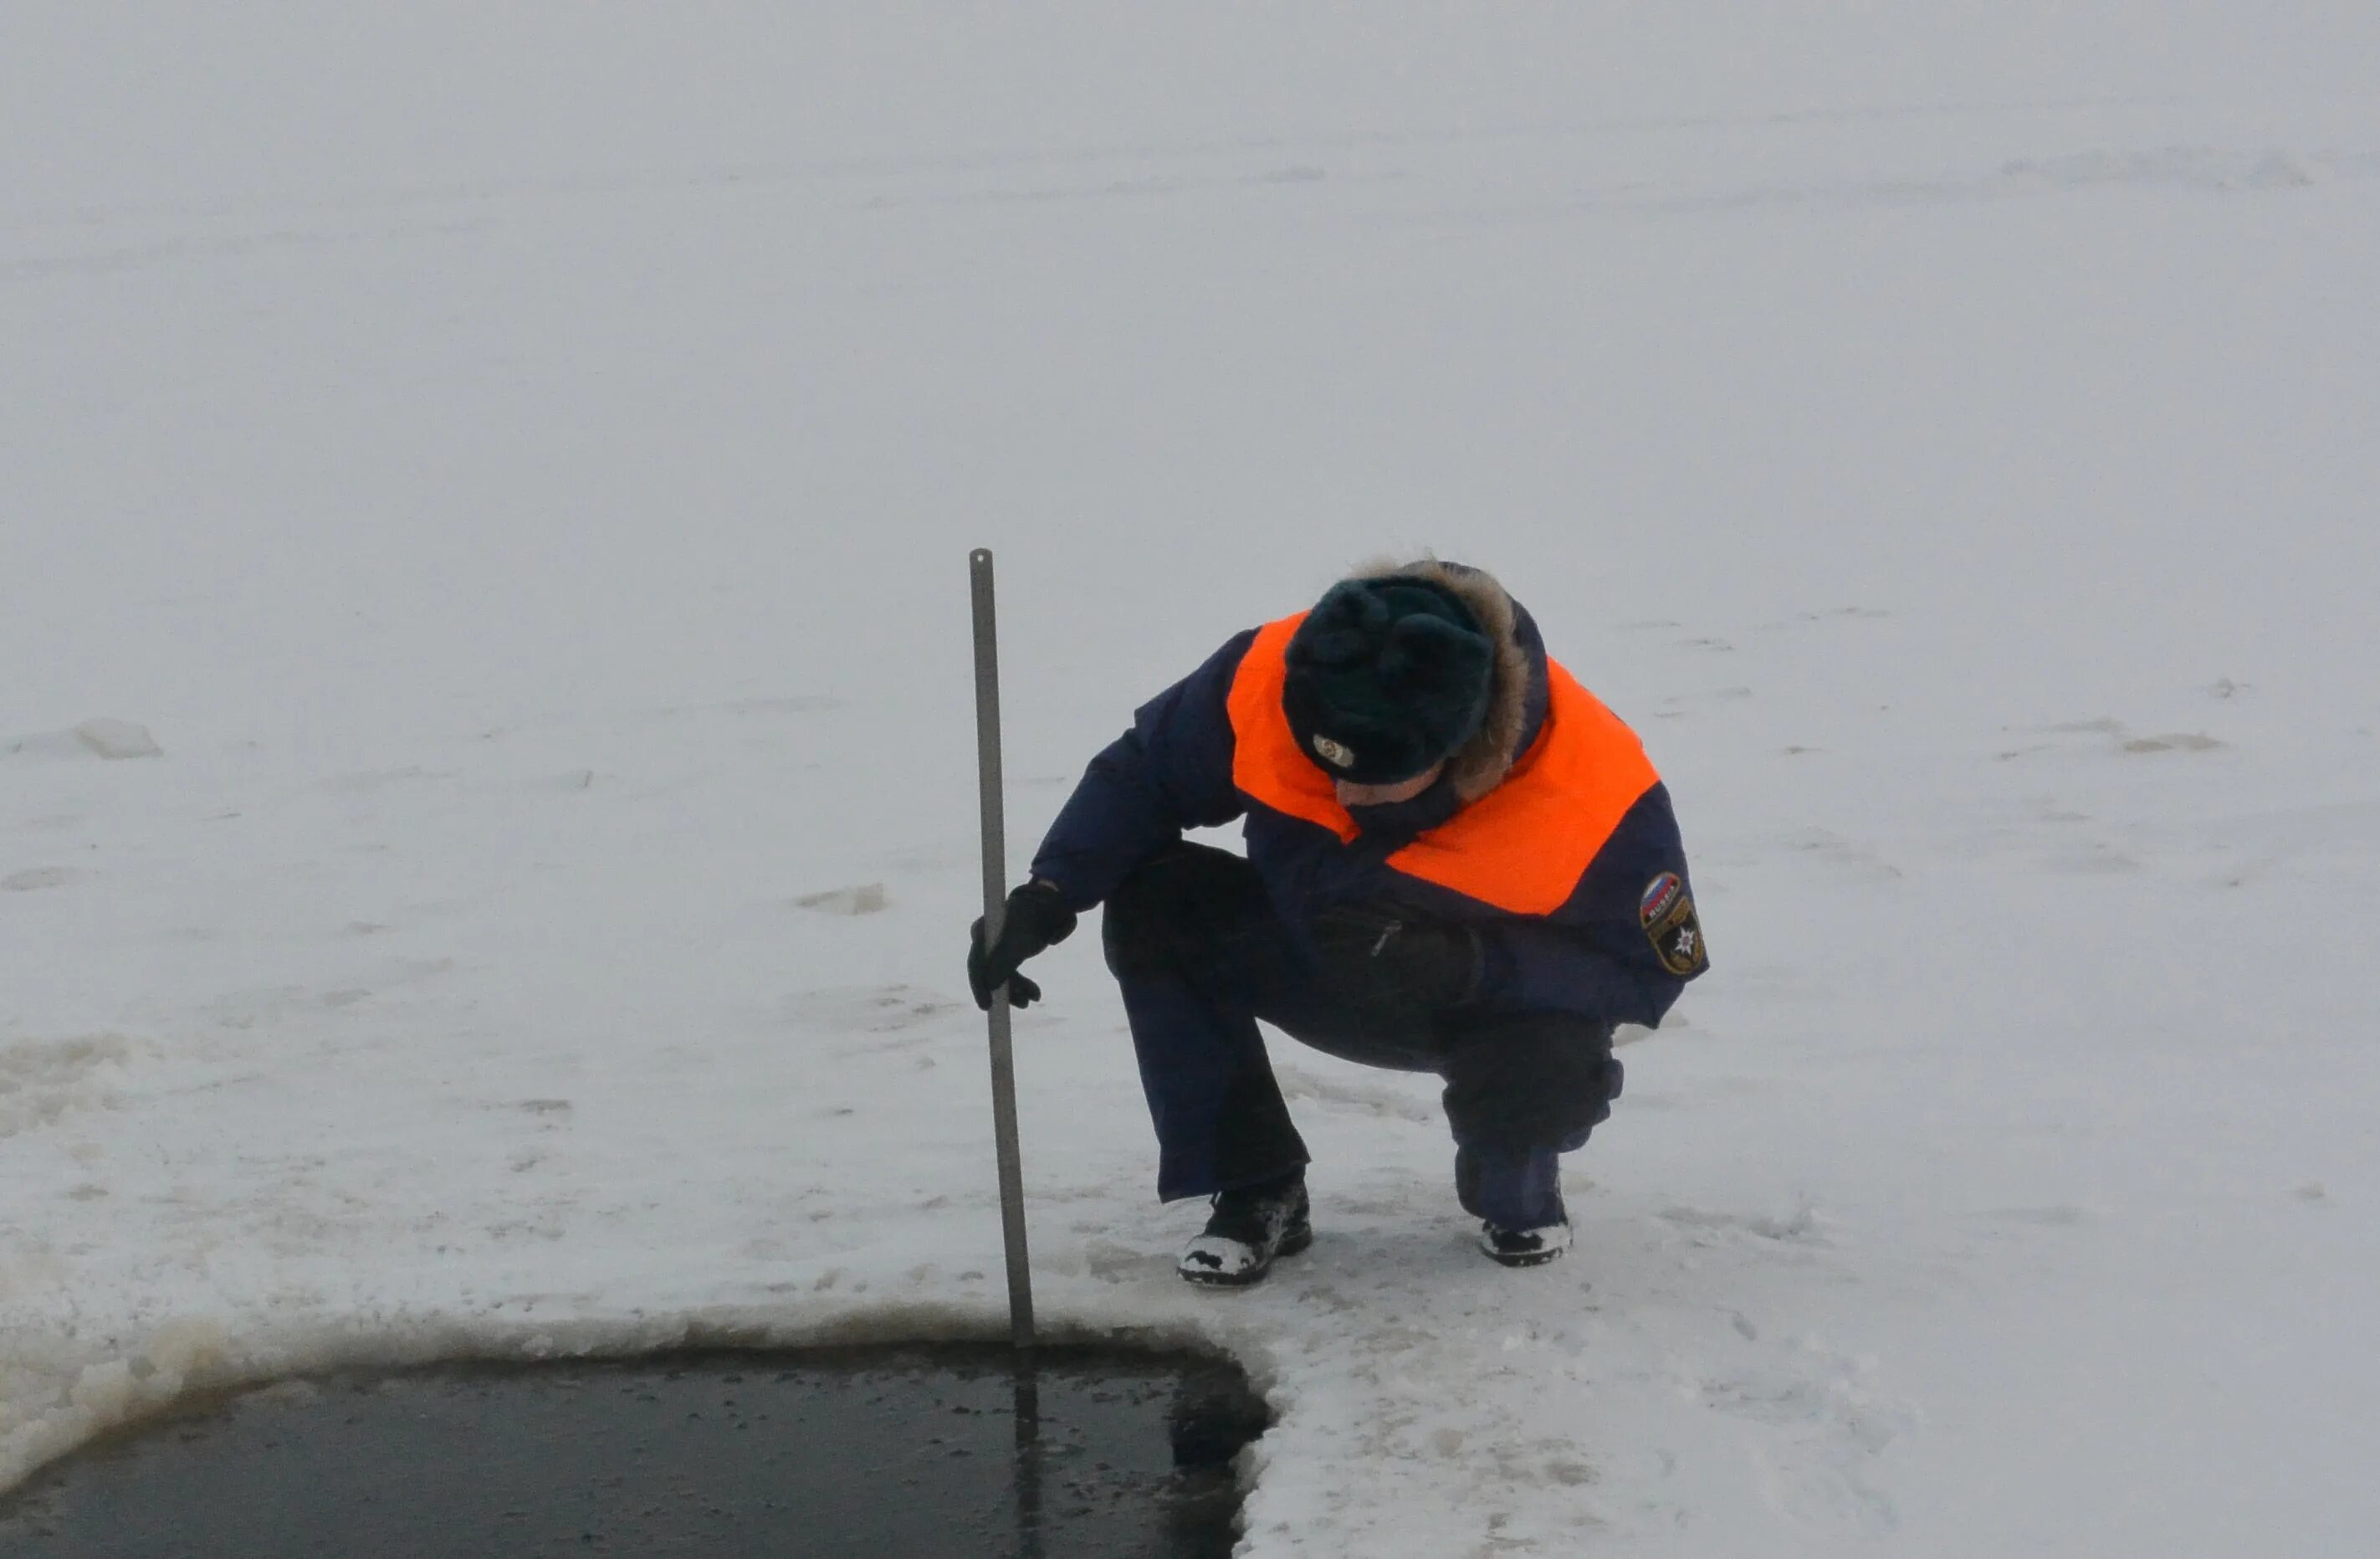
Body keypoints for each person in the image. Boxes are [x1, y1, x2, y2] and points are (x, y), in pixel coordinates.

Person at [967, 560, 1706, 1284]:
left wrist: (1471, 963)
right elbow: (1144, 775)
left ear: (1463, 748)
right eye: (1327, 767)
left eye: (1375, 778)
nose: (1345, 795)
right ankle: (1259, 1187)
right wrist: (1051, 891)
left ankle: (1516, 1190)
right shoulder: (1269, 674)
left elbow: (1646, 974)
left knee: (1543, 1061)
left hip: (1484, 1007)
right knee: (1158, 901)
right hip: (1313, 951)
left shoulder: (1594, 792)